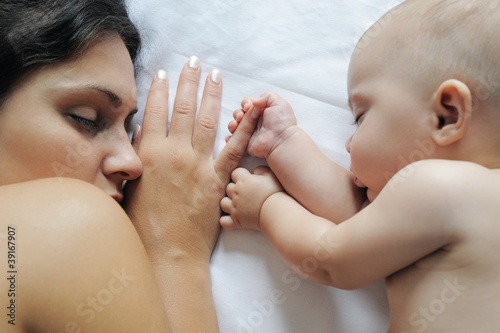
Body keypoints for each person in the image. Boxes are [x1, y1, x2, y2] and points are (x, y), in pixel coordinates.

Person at [220, 0, 500, 331]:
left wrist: (266, 207)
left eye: (360, 117)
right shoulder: (467, 199)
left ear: (446, 115)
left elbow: (329, 259)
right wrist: (284, 144)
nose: (348, 144)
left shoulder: (442, 186)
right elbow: (363, 219)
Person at [0, 1, 256, 332]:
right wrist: (176, 256)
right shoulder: (71, 223)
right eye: (86, 118)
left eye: (128, 129)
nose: (133, 162)